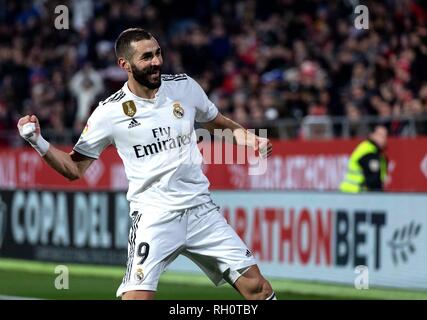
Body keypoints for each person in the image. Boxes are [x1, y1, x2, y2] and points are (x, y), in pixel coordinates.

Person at [17, 28, 275, 300]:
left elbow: (220, 123)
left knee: (258, 288)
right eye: (147, 57)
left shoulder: (184, 87)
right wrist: (38, 142)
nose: (156, 62)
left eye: (158, 53)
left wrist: (249, 138)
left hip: (202, 211)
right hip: (155, 216)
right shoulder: (109, 113)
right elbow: (73, 169)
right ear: (124, 65)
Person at [339, 125, 388, 193]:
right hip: (355, 193)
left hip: (353, 193)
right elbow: (373, 181)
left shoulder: (374, 152)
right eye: (380, 135)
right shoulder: (368, 153)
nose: (383, 139)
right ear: (371, 135)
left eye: (384, 136)